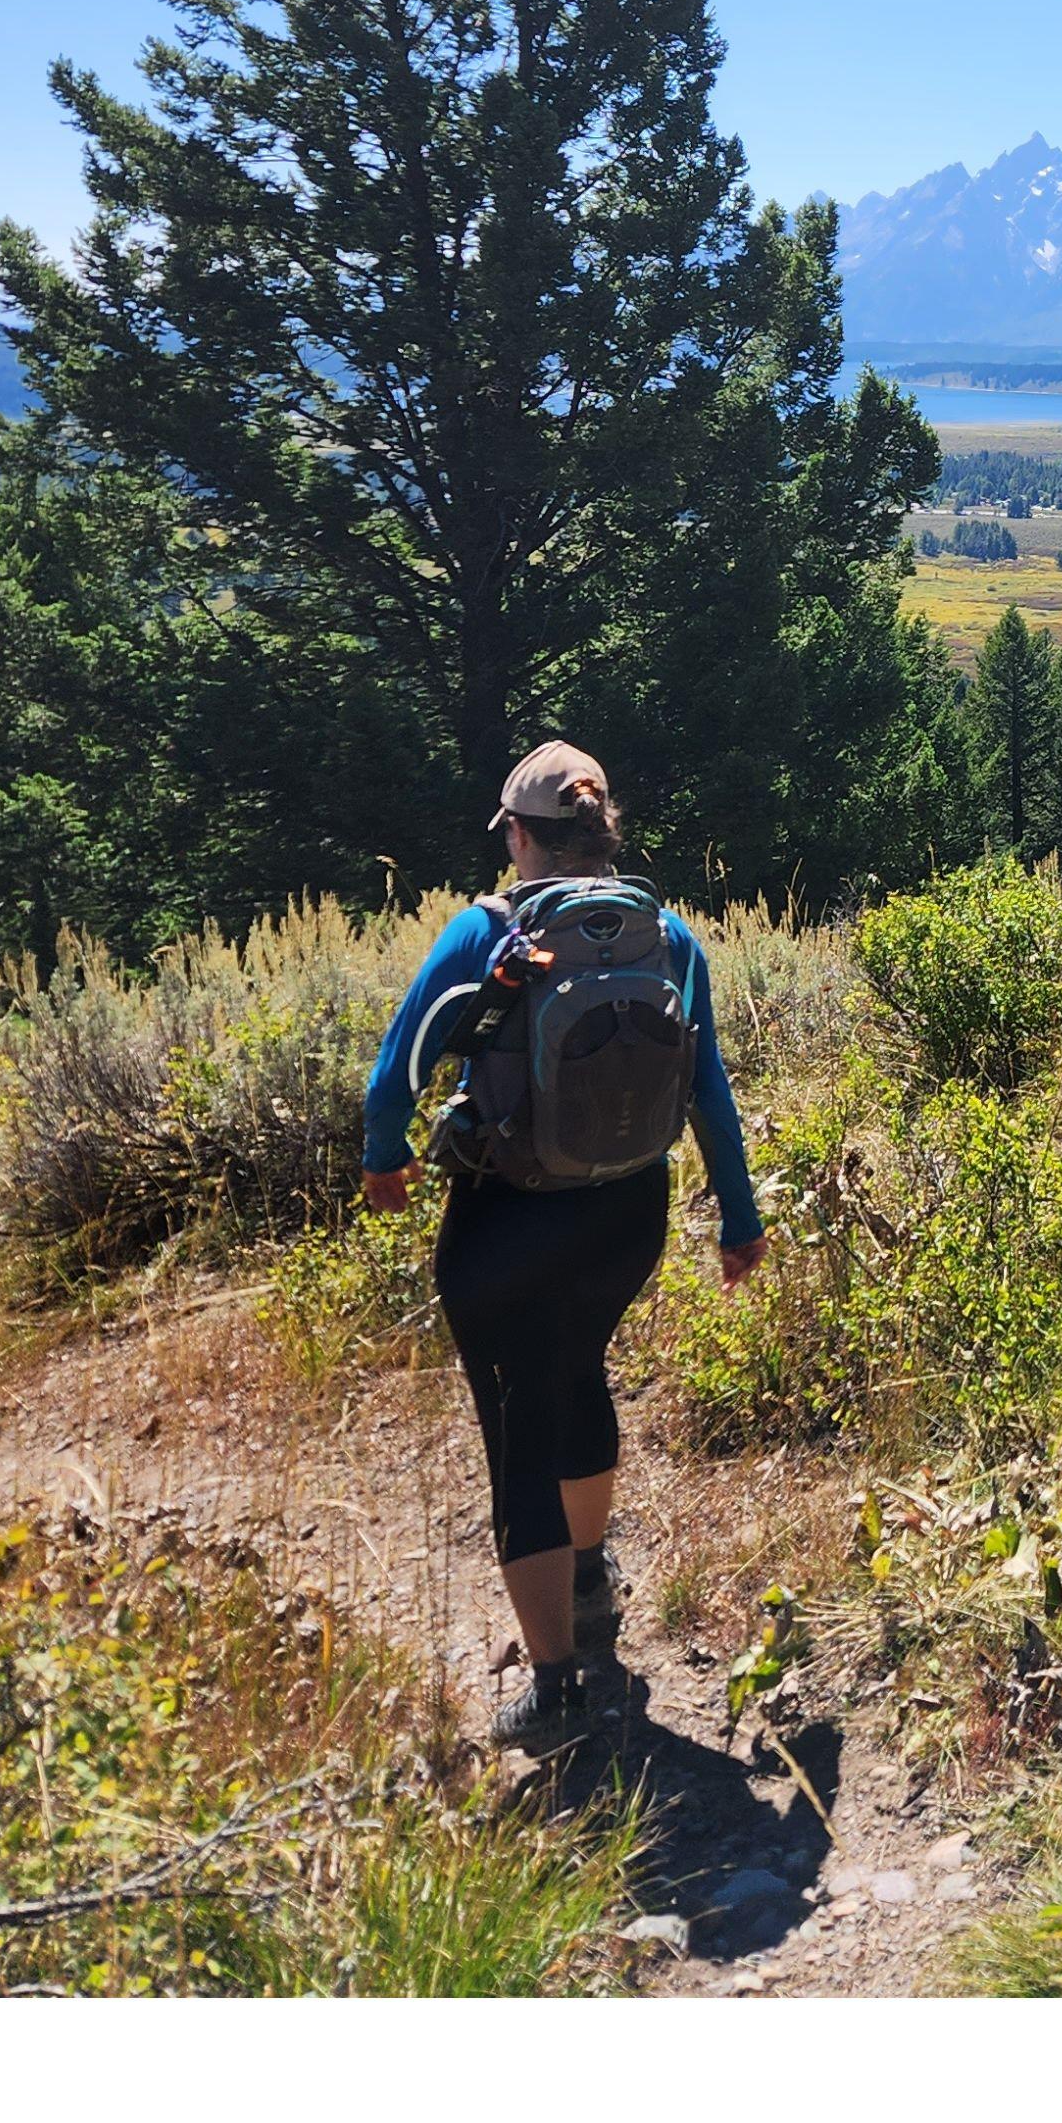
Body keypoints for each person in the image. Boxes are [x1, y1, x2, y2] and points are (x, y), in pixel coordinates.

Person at [361, 738, 765, 1753]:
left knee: (516, 1431)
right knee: (577, 1371)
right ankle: (588, 1581)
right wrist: (739, 1216)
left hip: (509, 1221)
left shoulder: (485, 931)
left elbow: (395, 1073)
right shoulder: (667, 933)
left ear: (524, 833)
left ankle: (556, 1687)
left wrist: (385, 1162)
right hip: (628, 1216)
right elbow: (707, 1089)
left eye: (507, 825)